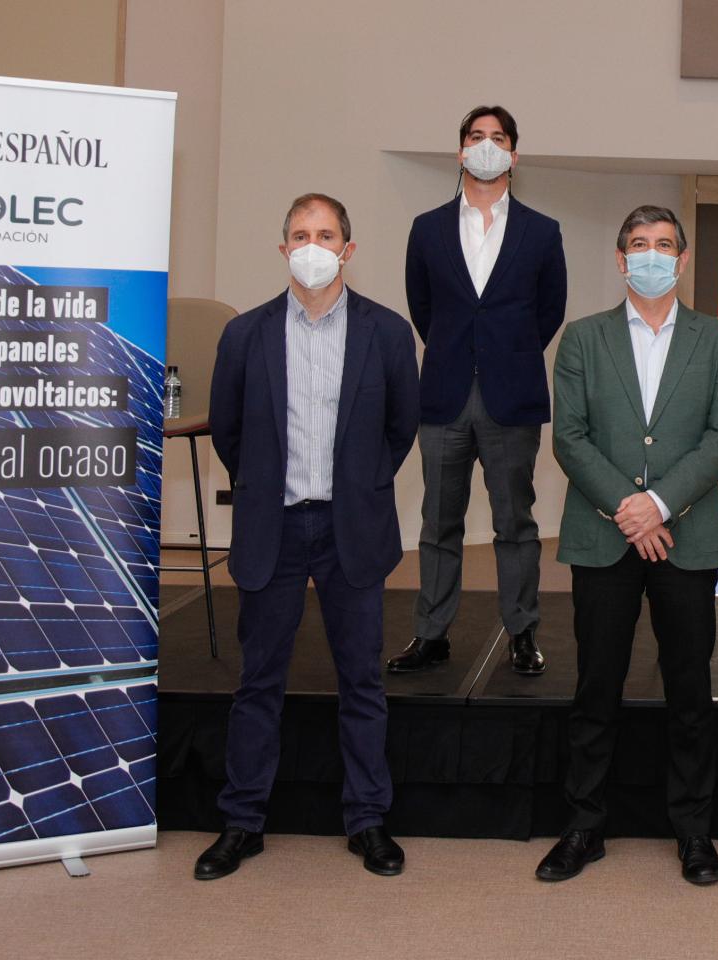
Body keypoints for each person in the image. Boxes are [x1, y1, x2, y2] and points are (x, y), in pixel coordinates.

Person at [196, 194, 420, 880]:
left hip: (353, 524)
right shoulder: (246, 335)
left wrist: (358, 483)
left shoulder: (387, 331)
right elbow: (229, 433)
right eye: (300, 234)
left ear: (348, 249)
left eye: (326, 234)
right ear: (283, 247)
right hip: (276, 526)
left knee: (361, 681)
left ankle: (367, 820)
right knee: (258, 682)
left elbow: (401, 427)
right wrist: (266, 485)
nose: (313, 245)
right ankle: (241, 821)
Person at [536, 205, 718, 886]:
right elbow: (569, 436)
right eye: (638, 246)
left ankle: (693, 831)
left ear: (682, 261)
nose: (651, 256)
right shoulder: (582, 339)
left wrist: (657, 504)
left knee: (690, 689)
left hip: (687, 536)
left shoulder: (717, 341)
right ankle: (583, 827)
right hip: (603, 536)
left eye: (664, 245)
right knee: (596, 687)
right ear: (622, 261)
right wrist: (629, 510)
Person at [387, 105, 568, 678]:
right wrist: (458, 351)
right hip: (441, 396)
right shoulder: (427, 227)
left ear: (514, 154)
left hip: (511, 397)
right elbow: (424, 308)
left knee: (515, 522)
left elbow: (549, 312)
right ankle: (431, 633)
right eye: (475, 136)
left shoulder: (543, 231)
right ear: (460, 150)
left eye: (497, 138)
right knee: (438, 521)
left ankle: (521, 632)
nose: (486, 145)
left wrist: (501, 355)